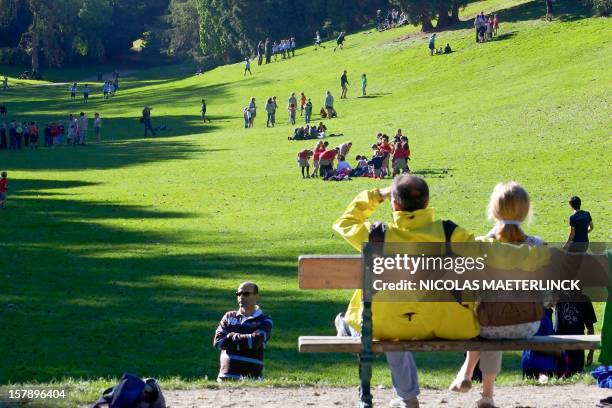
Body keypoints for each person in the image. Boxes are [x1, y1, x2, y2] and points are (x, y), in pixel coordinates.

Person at [332, 175, 478, 408]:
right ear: (427, 204)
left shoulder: (377, 235)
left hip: (384, 325)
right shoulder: (451, 233)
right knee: (398, 320)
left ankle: (404, 395)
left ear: (394, 204)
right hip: (446, 323)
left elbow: (345, 222)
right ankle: (406, 397)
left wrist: (377, 194)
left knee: (373, 320)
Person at [449, 182, 545, 408]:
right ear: (525, 211)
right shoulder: (537, 246)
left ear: (494, 211)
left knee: (486, 320)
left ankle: (470, 372)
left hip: (488, 324)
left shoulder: (482, 246)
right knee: (496, 318)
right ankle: (486, 394)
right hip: (529, 324)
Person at [213, 281, 273, 381]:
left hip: (252, 380)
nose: (241, 297)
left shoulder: (265, 320)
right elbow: (218, 342)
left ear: (256, 296)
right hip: (225, 377)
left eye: (245, 294)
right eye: (238, 294)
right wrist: (246, 339)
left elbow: (255, 341)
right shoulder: (228, 316)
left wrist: (231, 336)